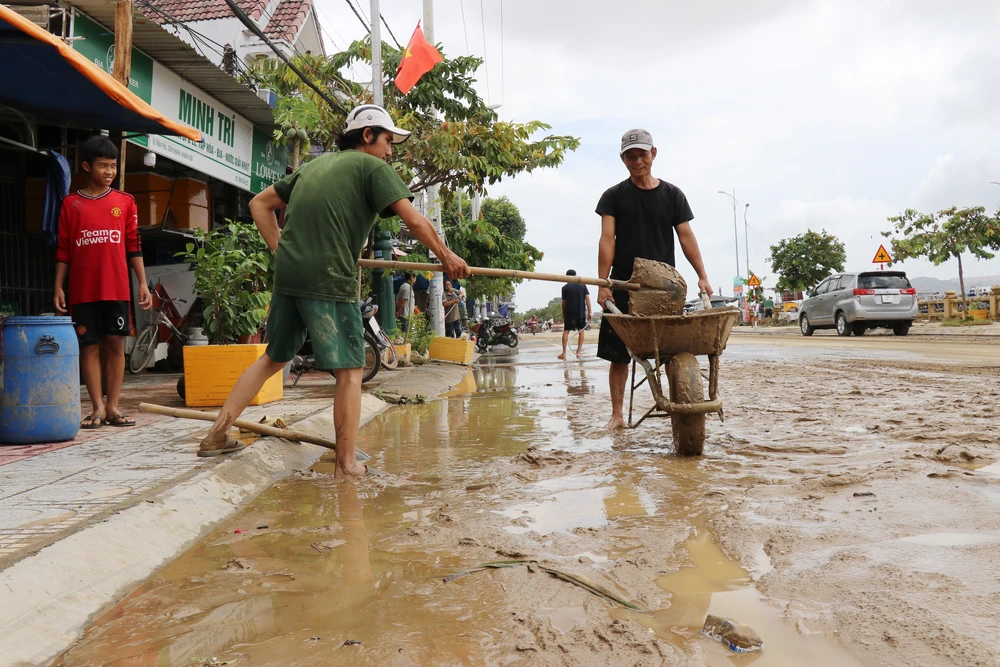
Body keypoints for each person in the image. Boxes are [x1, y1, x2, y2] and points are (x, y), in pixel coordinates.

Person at [196, 104, 470, 475]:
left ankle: (216, 435)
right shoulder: (373, 168)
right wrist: (447, 256)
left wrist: (282, 250)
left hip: (290, 276)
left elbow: (259, 204)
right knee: (351, 371)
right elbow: (414, 219)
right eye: (388, 141)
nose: (390, 151)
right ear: (368, 135)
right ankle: (345, 463)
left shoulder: (312, 166)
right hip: (329, 276)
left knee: (272, 359)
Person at [596, 128, 712, 430]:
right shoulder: (613, 197)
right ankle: (618, 414)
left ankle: (682, 405)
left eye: (642, 155)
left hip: (664, 289)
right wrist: (603, 283)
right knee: (619, 356)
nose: (637, 161)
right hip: (625, 285)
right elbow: (607, 240)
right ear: (623, 159)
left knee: (672, 351)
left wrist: (702, 276)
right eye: (630, 156)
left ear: (653, 154)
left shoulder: (672, 195)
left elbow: (686, 237)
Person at [54, 135, 152, 429]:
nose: (110, 172)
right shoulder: (71, 204)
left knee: (115, 345)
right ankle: (96, 407)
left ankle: (112, 406)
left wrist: (143, 283)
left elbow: (133, 245)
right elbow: (63, 249)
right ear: (86, 166)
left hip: (117, 289)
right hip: (83, 291)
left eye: (113, 166)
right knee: (89, 347)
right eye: (103, 166)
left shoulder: (125, 202)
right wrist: (58, 286)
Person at [559, 270, 592, 360]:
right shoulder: (583, 285)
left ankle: (564, 353)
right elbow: (587, 299)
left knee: (566, 331)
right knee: (581, 331)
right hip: (581, 313)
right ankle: (578, 352)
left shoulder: (565, 288)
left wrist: (564, 313)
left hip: (570, 313)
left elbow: (564, 303)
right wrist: (590, 312)